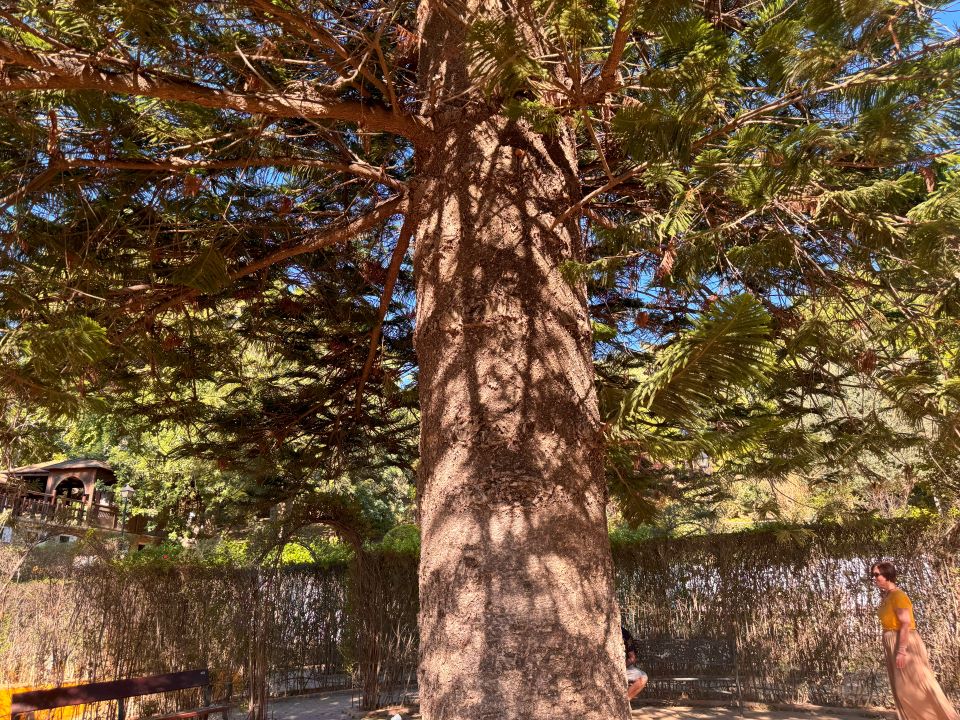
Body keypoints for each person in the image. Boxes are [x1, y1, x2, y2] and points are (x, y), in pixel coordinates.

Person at [871, 561, 959, 720]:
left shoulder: (899, 596)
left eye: (877, 574)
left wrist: (901, 650)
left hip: (904, 642)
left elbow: (905, 623)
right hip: (892, 642)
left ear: (888, 575)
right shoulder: (888, 596)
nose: (874, 578)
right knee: (902, 689)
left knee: (911, 689)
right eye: (873, 575)